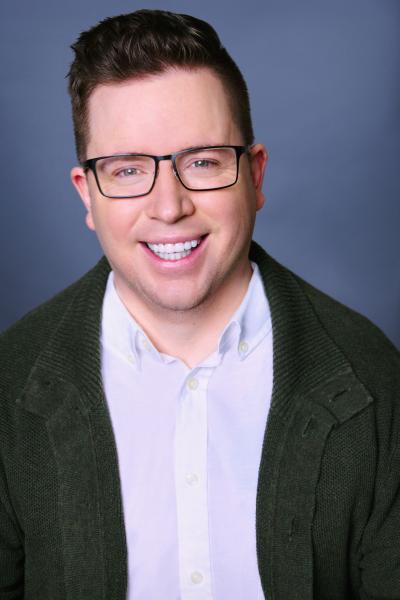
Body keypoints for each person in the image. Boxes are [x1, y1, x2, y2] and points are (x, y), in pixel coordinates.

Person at [0, 8, 399, 600]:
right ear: (87, 195)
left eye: (203, 162)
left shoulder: (374, 378)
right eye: (128, 169)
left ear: (255, 176)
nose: (168, 206)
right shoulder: (8, 383)